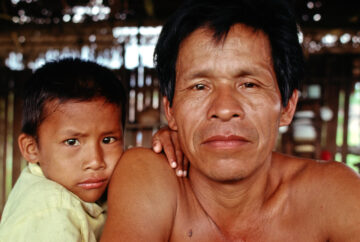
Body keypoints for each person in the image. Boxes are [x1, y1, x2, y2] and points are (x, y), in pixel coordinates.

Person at [101, 0, 360, 241]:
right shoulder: (149, 176)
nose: (224, 109)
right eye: (200, 86)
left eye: (249, 84)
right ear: (171, 111)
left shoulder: (332, 194)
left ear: (287, 107)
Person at [0, 58, 184, 242]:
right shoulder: (50, 212)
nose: (95, 161)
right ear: (31, 148)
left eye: (108, 140)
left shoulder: (80, 189)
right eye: (72, 142)